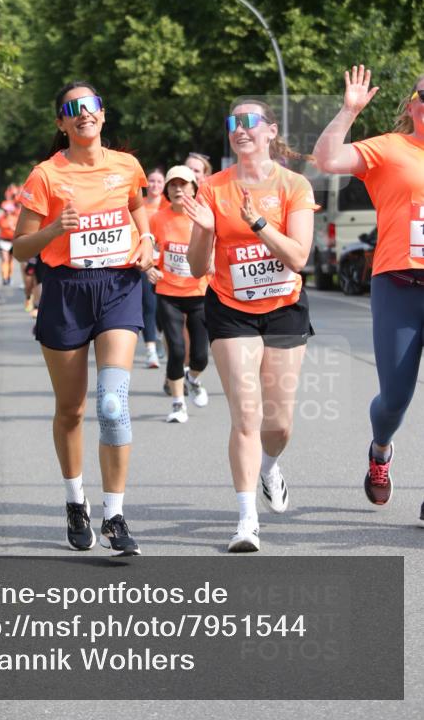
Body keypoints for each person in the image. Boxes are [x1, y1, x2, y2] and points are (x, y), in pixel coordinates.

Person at [14, 81, 153, 556]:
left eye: (89, 105)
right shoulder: (46, 176)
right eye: (71, 108)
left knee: (112, 404)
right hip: (66, 290)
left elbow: (137, 207)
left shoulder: (126, 166)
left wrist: (147, 240)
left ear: (102, 113)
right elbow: (20, 248)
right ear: (61, 122)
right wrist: (55, 228)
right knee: (71, 409)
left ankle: (115, 514)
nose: (82, 113)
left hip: (118, 287)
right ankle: (76, 502)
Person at [186, 100, 317, 553]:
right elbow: (197, 267)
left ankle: (269, 467)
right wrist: (206, 231)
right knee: (246, 415)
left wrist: (258, 224)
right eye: (232, 122)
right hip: (230, 308)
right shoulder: (212, 187)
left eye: (249, 121)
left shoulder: (293, 185)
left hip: (284, 307)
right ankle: (246, 520)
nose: (239, 129)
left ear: (270, 131)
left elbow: (298, 257)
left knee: (278, 424)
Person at [313, 66, 424, 521]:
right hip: (399, 285)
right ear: (412, 105)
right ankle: (380, 450)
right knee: (394, 399)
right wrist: (348, 111)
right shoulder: (390, 148)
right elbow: (326, 159)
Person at [149, 165, 210, 423]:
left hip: (199, 292)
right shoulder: (157, 219)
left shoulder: (204, 216)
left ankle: (193, 379)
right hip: (168, 292)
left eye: (183, 184)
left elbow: (217, 246)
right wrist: (150, 269)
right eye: (172, 185)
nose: (177, 189)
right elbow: (151, 251)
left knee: (200, 356)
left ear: (194, 189)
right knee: (175, 350)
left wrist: (213, 262)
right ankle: (177, 404)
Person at [142, 168, 165, 368]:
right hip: (144, 263)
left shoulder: (170, 205)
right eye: (151, 180)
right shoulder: (138, 205)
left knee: (163, 309)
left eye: (159, 181)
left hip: (167, 265)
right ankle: (150, 351)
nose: (155, 185)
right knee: (148, 305)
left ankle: (160, 336)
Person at [0, 202, 18, 285]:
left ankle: (9, 276)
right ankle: (4, 278)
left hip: (13, 242)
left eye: (7, 210)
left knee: (10, 260)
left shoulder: (15, 218)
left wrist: (12, 227)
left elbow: (19, 231)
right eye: (5, 210)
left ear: (11, 211)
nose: (6, 212)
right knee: (5, 259)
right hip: (3, 241)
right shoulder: (1, 218)